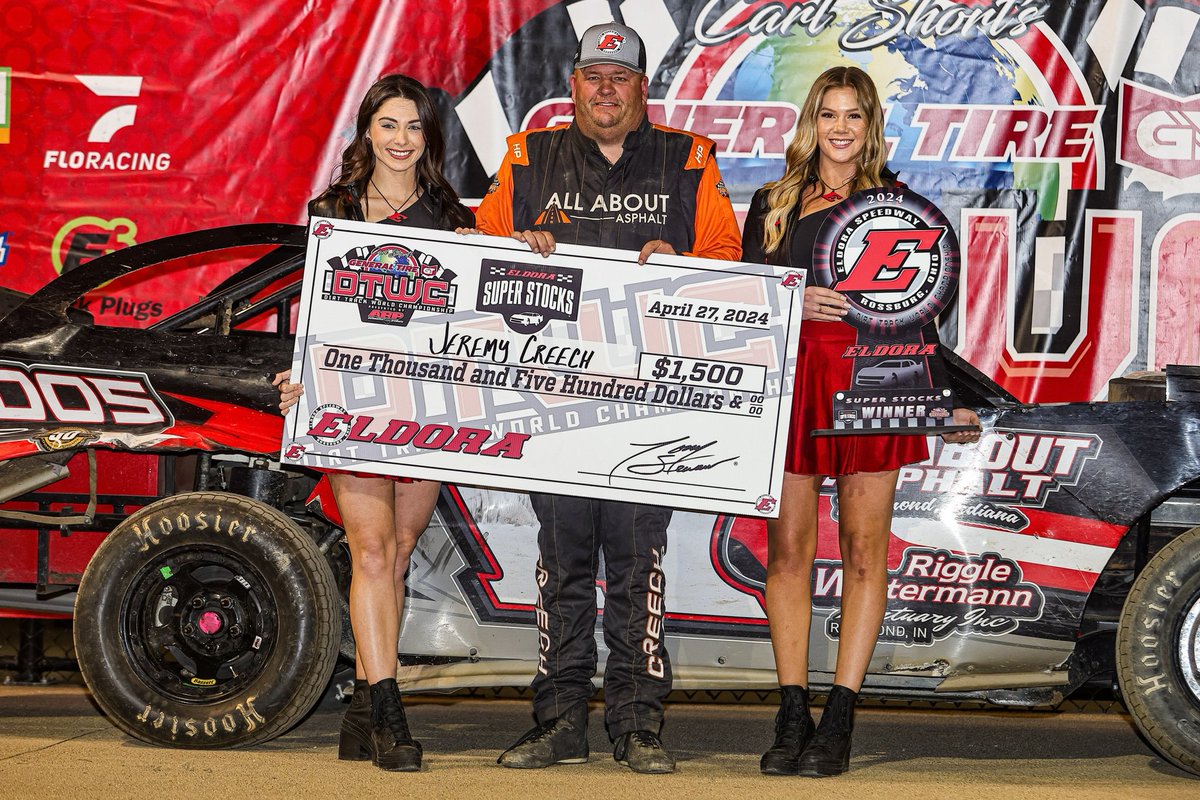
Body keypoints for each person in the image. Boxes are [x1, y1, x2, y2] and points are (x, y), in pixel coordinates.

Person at [468, 22, 741, 774]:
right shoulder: (530, 157)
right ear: (575, 83)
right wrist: (514, 249)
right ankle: (558, 720)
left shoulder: (689, 158)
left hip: (651, 411)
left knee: (636, 568)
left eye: (621, 77)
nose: (607, 89)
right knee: (560, 569)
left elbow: (728, 263)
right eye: (594, 75)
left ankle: (638, 724)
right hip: (552, 409)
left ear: (642, 88)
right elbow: (474, 259)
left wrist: (682, 262)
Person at [740, 65, 981, 777]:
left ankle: (841, 713)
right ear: (810, 122)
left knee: (863, 551)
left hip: (878, 382)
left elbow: (925, 314)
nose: (839, 128)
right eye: (828, 114)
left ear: (871, 126)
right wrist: (791, 302)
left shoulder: (902, 207)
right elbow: (743, 305)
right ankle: (793, 707)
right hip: (796, 384)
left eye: (853, 116)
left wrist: (944, 396)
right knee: (787, 554)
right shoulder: (771, 204)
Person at [275, 73, 474, 772]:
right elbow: (312, 309)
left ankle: (360, 713)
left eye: (414, 127)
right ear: (367, 131)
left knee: (398, 552)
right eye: (388, 125)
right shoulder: (333, 208)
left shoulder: (452, 216)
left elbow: (472, 316)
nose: (400, 139)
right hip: (349, 398)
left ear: (430, 138)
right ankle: (389, 711)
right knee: (370, 552)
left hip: (424, 404)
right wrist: (295, 375)